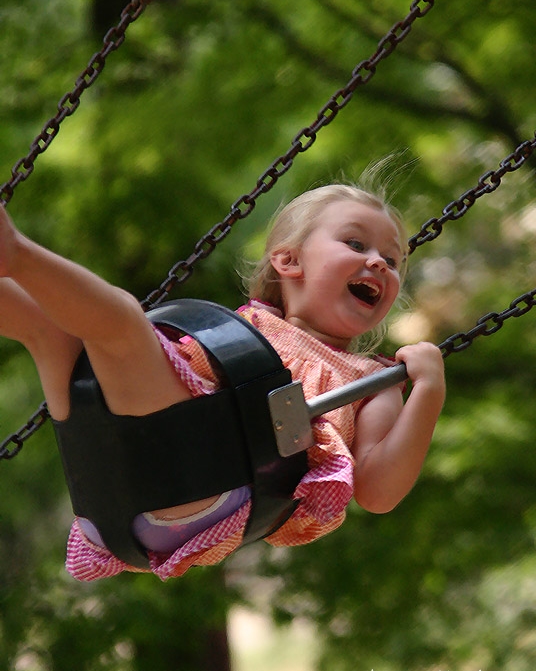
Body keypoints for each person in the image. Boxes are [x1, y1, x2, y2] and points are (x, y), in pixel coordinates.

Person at [0, 184, 445, 580]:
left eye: (391, 260)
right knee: (50, 331)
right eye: (355, 243)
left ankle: (13, 252)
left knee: (121, 321)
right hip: (111, 487)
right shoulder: (243, 331)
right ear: (288, 260)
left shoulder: (370, 380)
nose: (379, 263)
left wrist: (428, 389)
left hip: (205, 486)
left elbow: (378, 492)